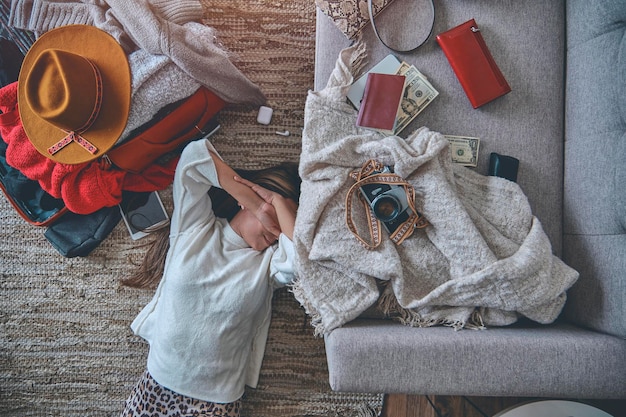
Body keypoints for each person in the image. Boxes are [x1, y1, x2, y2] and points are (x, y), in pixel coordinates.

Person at [120, 138, 300, 417]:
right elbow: (193, 159)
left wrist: (278, 203)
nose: (276, 232)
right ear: (248, 204)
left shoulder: (270, 266)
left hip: (214, 402)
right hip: (156, 384)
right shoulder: (195, 228)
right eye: (274, 217)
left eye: (285, 224)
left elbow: (304, 266)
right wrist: (254, 200)